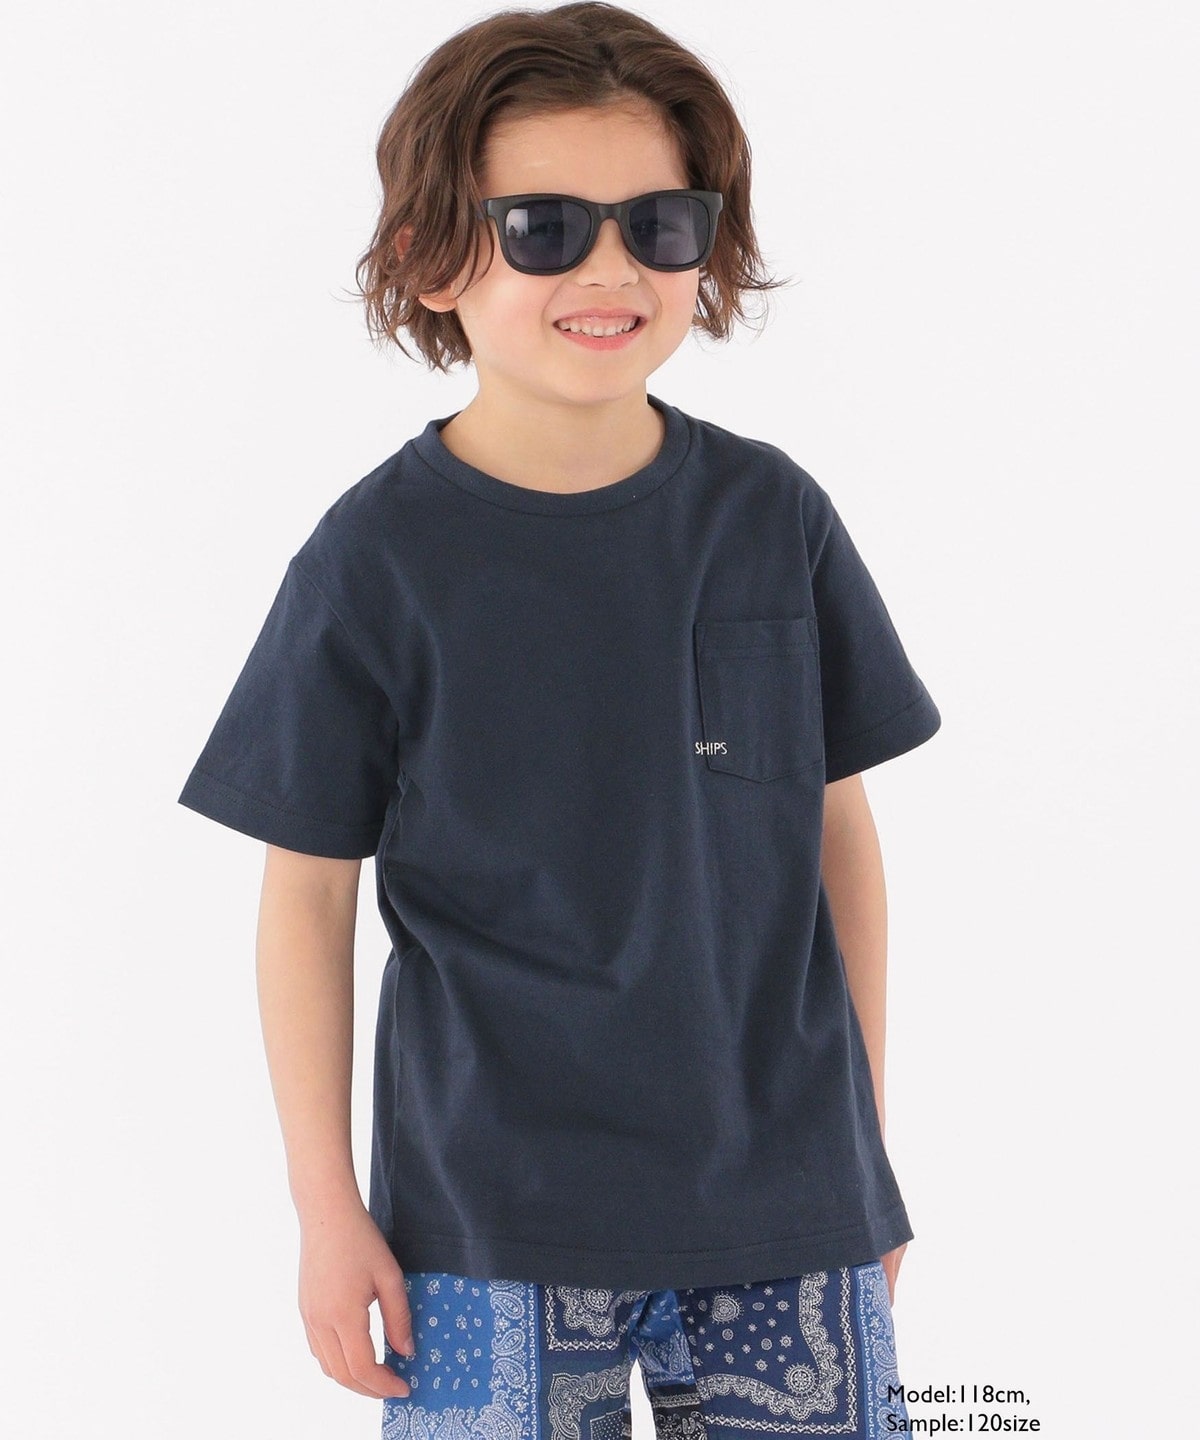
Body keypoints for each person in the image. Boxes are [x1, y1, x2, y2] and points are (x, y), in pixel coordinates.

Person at [178, 4, 943, 1436]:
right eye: (541, 228)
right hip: (487, 1221)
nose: (609, 269)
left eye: (659, 223)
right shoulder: (374, 561)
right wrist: (326, 1208)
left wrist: (865, 1157)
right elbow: (306, 897)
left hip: (787, 1200)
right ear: (429, 255)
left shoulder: (773, 518)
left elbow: (839, 836)